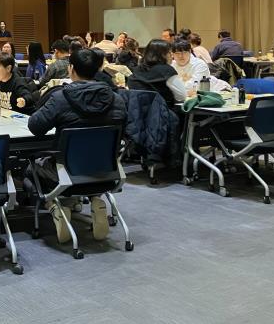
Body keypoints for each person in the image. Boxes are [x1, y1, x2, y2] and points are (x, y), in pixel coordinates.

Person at [27, 48, 126, 243]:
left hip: (66, 173)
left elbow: (34, 126)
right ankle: (96, 200)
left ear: (71, 69)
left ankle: (54, 206)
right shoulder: (117, 99)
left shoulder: (60, 98)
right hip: (106, 172)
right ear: (97, 69)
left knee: (31, 169)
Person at [127, 39, 186, 106]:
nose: (172, 56)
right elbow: (182, 96)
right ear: (162, 55)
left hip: (137, 111)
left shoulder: (137, 70)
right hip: (163, 110)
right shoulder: (166, 70)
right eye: (169, 53)